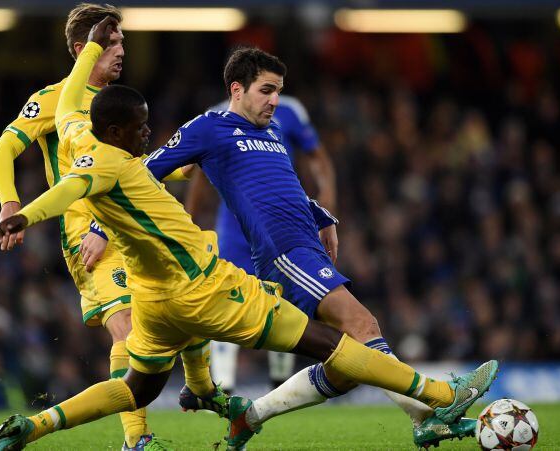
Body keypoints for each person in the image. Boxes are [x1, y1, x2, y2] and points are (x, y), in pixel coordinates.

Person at [0, 18, 498, 451]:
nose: (146, 133)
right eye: (140, 126)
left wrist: (90, 47)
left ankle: (42, 425)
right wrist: (25, 214)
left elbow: (73, 109)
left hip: (163, 297)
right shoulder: (140, 153)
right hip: (208, 282)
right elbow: (78, 185)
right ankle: (434, 396)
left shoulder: (78, 124)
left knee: (137, 385)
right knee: (339, 338)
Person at [142, 47, 476, 448]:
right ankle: (431, 404)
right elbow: (145, 172)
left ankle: (250, 416)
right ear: (237, 89)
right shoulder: (207, 128)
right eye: (266, 90)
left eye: (279, 91)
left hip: (305, 241)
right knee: (363, 325)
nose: (275, 101)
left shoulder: (273, 132)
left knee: (347, 363)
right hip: (282, 251)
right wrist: (99, 228)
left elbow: (286, 188)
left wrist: (321, 215)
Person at [0, 4, 221, 450]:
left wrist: (182, 167)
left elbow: (129, 168)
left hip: (129, 230)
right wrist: (10, 204)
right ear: (82, 49)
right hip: (86, 237)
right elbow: (1, 151)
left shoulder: (118, 104)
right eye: (111, 42)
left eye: (122, 43)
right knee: (128, 328)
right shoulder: (53, 100)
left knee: (182, 309)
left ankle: (200, 390)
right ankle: (137, 439)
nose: (121, 51)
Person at [185, 95, 337, 392]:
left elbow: (317, 157)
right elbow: (199, 175)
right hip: (233, 225)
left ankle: (280, 384)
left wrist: (326, 203)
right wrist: (188, 218)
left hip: (280, 222)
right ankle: (223, 388)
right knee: (225, 297)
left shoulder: (289, 110)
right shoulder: (214, 116)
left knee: (282, 297)